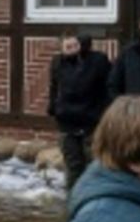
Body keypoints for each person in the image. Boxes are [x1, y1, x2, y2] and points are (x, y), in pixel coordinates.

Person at [48, 33, 112, 188]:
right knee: (73, 165)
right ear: (61, 49)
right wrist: (53, 107)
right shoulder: (57, 63)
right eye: (67, 47)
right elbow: (54, 87)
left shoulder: (96, 61)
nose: (72, 50)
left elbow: (108, 86)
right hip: (67, 122)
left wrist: (104, 112)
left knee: (94, 164)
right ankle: (74, 198)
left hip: (91, 121)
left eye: (75, 46)